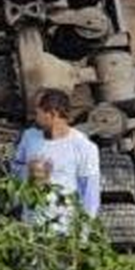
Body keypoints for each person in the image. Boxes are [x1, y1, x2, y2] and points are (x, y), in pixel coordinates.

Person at [10, 88, 100, 233]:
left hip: (64, 231)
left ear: (52, 114)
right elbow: (16, 171)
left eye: (38, 113)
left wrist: (84, 234)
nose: (34, 117)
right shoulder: (29, 138)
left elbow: (90, 194)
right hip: (30, 228)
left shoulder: (83, 146)